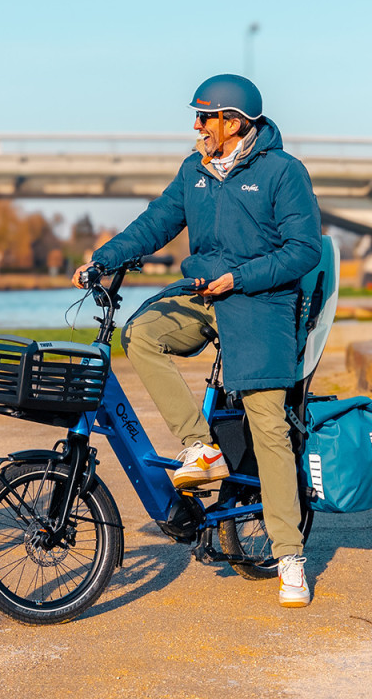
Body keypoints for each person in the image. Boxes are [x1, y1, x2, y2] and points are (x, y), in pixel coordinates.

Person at [73, 75, 321, 608]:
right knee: (140, 332)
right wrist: (104, 258)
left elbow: (304, 251)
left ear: (233, 122)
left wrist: (241, 278)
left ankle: (289, 556)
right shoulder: (196, 170)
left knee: (268, 424)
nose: (196, 125)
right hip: (204, 292)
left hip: (261, 301)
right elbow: (156, 222)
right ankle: (200, 445)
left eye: (204, 117)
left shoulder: (282, 172)